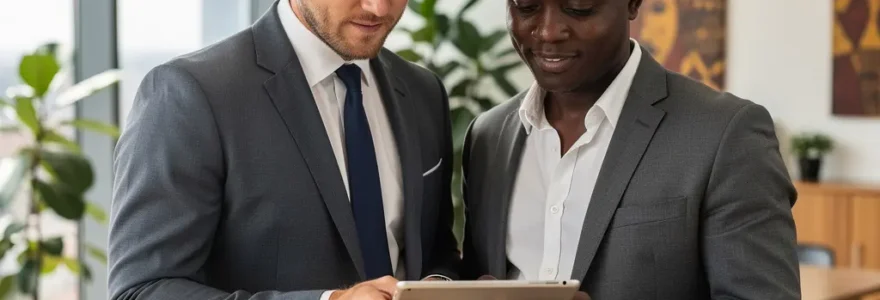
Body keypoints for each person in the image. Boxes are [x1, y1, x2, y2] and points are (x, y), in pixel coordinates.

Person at [109, 0, 460, 299]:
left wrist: (438, 285)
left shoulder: (423, 92)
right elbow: (142, 290)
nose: (378, 7)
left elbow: (439, 251)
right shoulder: (191, 93)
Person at [459, 0, 801, 299]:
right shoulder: (487, 137)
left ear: (633, 3)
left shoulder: (726, 134)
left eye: (579, 8)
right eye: (527, 6)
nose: (548, 32)